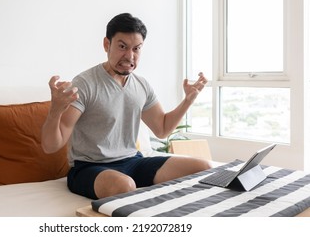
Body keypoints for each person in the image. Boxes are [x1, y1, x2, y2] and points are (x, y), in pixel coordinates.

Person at [41, 13, 211, 200]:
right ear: (107, 44)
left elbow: (162, 129)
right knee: (125, 185)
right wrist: (55, 110)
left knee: (203, 168)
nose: (130, 56)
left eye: (136, 49)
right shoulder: (85, 84)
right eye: (122, 47)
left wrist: (188, 100)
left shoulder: (141, 85)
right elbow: (51, 146)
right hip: (88, 168)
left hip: (132, 162)